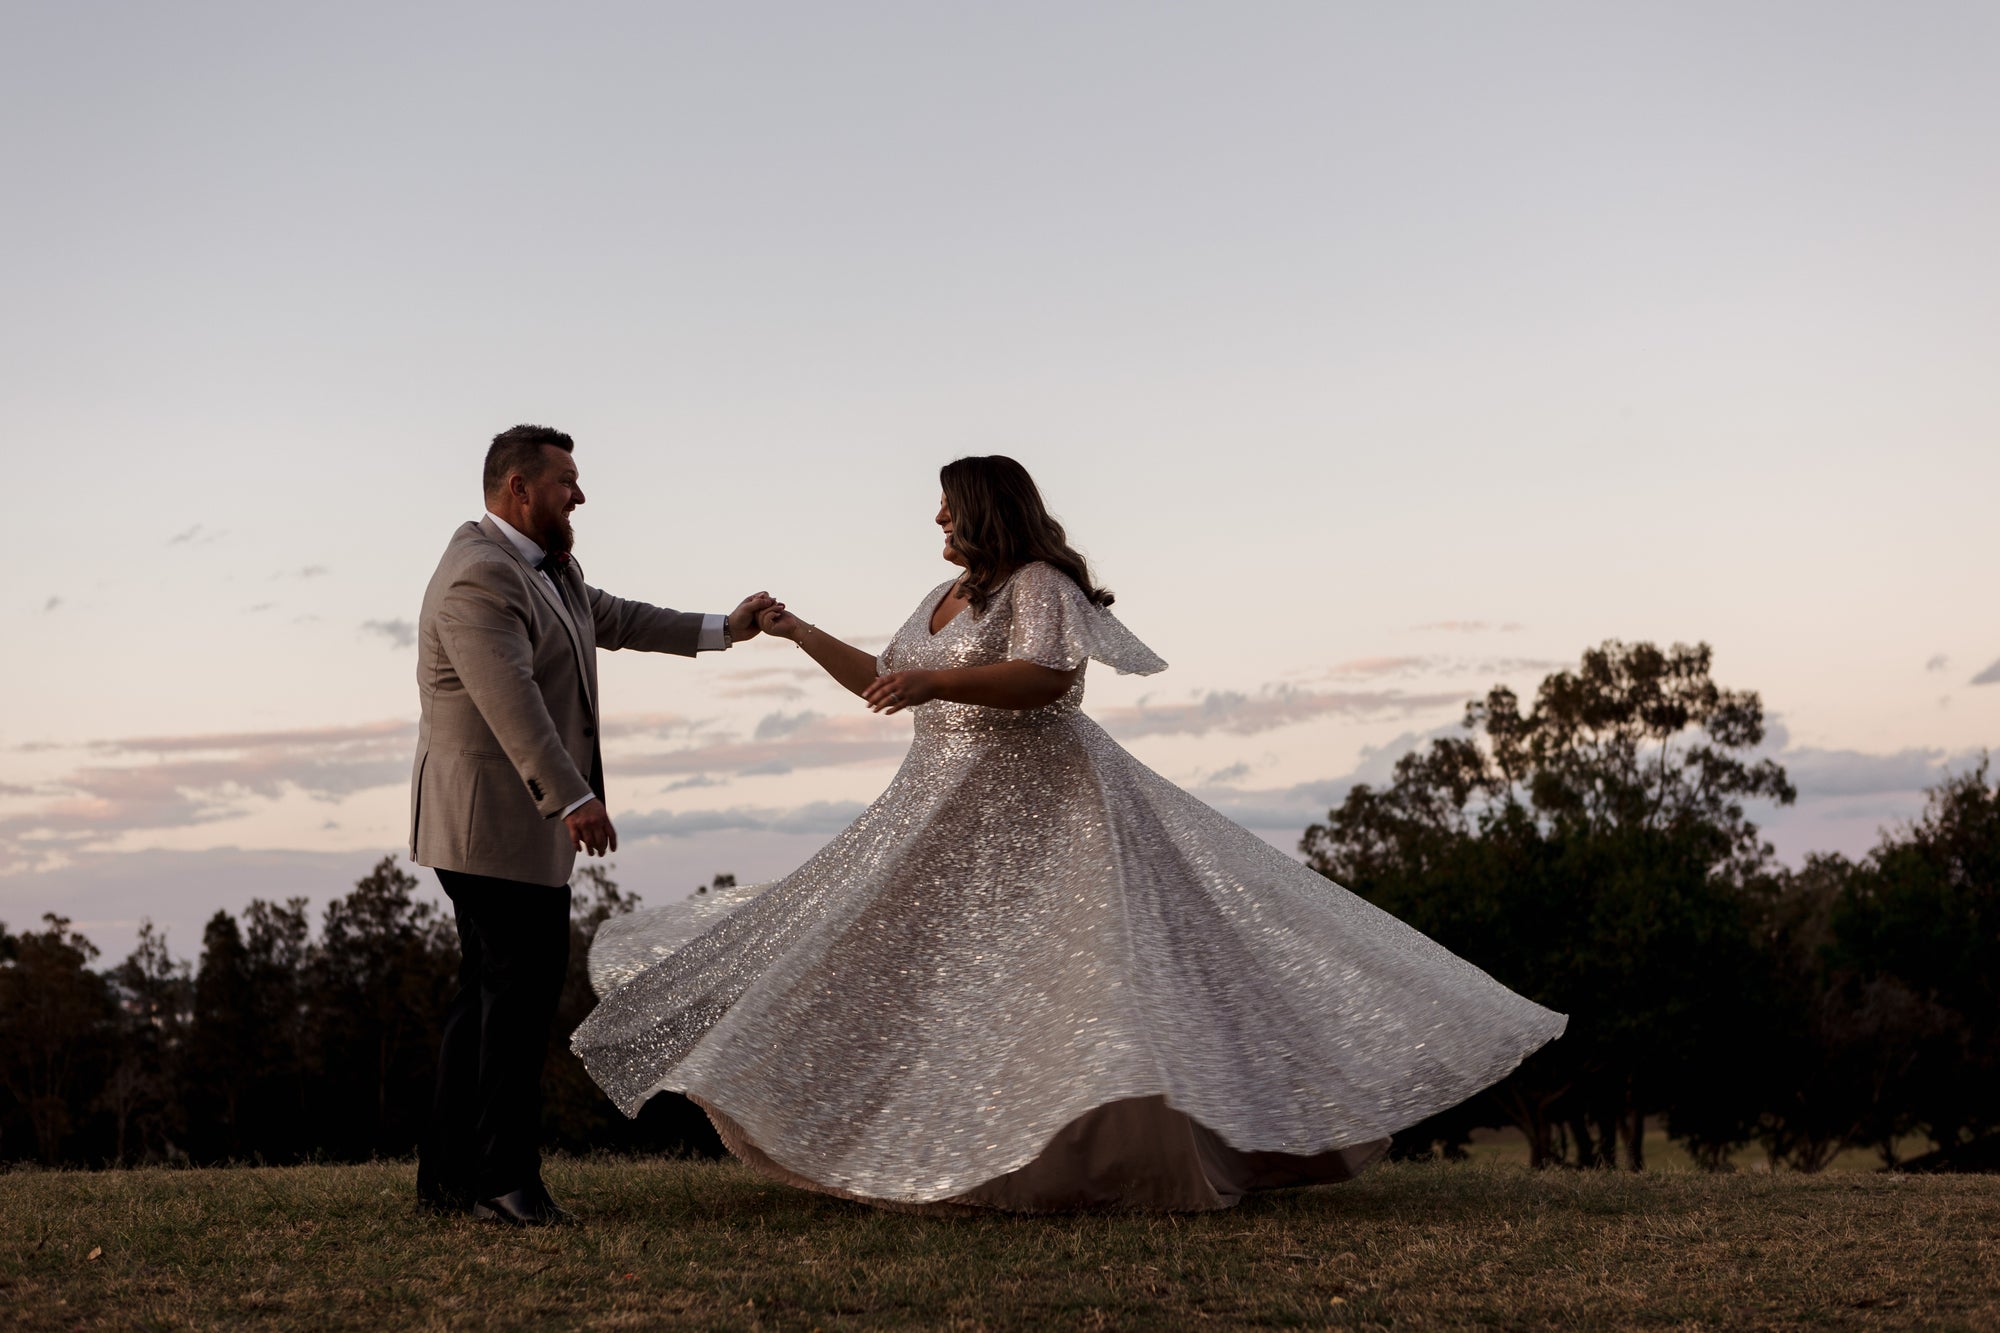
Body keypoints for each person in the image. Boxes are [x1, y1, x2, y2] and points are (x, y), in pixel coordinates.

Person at [572, 455, 1565, 1212]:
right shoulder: (940, 598)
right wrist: (799, 634)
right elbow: (886, 675)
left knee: (1082, 991)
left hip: (1045, 811)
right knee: (897, 972)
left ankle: (1142, 1157)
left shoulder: (1040, 584)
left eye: (946, 504)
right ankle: (943, 1153)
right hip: (942, 808)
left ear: (982, 509)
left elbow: (1047, 680)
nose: (934, 519)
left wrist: (937, 680)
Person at [409, 423, 776, 1225]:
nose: (580, 493)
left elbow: (623, 618)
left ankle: (448, 1181)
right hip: (487, 826)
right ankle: (505, 1184)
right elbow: (512, 699)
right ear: (520, 489)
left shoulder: (554, 570)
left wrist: (727, 627)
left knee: (486, 997)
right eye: (567, 479)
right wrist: (573, 796)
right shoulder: (479, 575)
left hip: (515, 827)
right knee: (517, 1002)